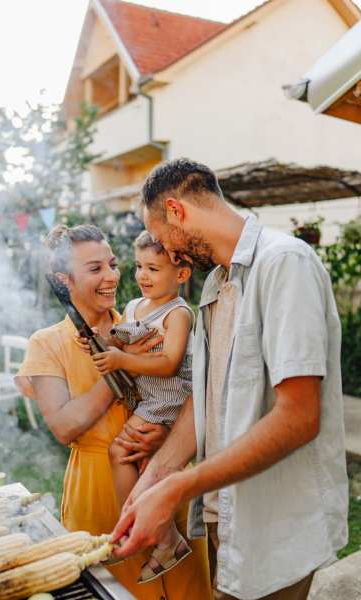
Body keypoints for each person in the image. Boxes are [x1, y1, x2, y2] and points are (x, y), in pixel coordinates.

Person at [112, 158, 348, 600]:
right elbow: (208, 397)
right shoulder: (216, 283)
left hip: (277, 526)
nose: (171, 256)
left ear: (177, 210)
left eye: (165, 241)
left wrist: (181, 485)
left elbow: (298, 417)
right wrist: (157, 477)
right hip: (228, 516)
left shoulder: (285, 263)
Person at [15, 224, 212, 600]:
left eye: (112, 263)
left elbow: (190, 389)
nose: (111, 277)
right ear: (64, 279)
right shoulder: (46, 344)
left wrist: (168, 435)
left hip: (167, 477)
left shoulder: (149, 321)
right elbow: (65, 426)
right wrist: (121, 367)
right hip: (101, 493)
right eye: (94, 269)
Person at [85, 230, 195, 582]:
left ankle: (135, 531)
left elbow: (169, 363)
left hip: (168, 399)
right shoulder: (133, 307)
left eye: (153, 268)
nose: (142, 276)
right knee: (144, 463)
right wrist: (100, 342)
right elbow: (121, 339)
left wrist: (121, 361)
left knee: (120, 453)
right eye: (138, 267)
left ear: (181, 274)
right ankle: (164, 540)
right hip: (145, 399)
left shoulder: (178, 314)